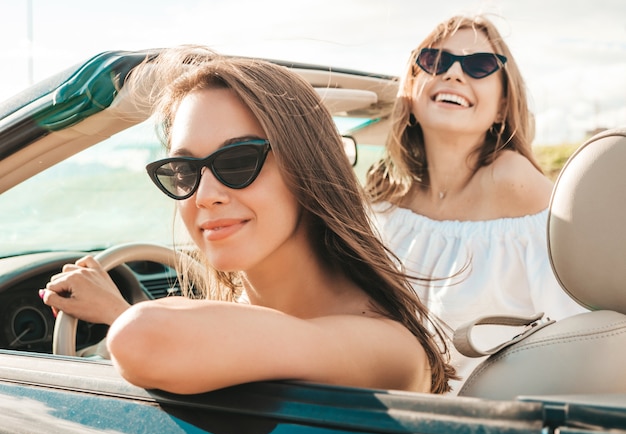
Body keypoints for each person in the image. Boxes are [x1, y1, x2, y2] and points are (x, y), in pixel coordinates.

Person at [41, 46, 456, 395]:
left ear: (309, 168)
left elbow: (143, 338)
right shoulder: (244, 322)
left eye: (238, 161)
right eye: (184, 170)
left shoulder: (389, 347)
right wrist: (118, 310)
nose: (205, 196)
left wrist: (121, 314)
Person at [365, 15, 584, 392]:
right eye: (435, 61)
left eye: (479, 65)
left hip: (483, 431)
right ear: (412, 90)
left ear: (501, 107)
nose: (453, 74)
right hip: (383, 419)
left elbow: (577, 337)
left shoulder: (515, 183)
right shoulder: (385, 196)